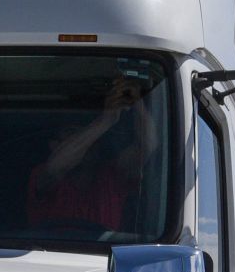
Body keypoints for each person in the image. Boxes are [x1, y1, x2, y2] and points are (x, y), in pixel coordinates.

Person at [27, 71, 154, 232]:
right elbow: (56, 166)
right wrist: (104, 121)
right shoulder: (42, 177)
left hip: (103, 256)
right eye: (72, 135)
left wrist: (136, 102)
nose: (86, 144)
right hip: (46, 255)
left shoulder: (112, 177)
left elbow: (148, 145)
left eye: (90, 138)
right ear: (54, 145)